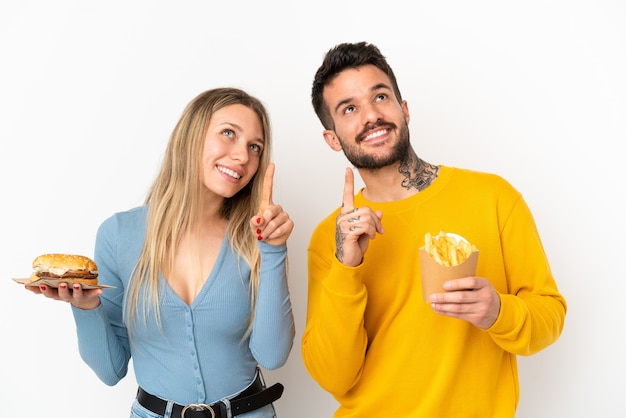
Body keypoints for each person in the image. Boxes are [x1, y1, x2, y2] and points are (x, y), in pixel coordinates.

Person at [301, 42, 567, 417]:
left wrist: (498, 312)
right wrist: (346, 267)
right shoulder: (330, 237)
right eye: (349, 108)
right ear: (332, 138)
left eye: (380, 96)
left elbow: (549, 316)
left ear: (404, 109)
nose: (372, 115)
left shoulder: (493, 198)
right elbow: (333, 376)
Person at [27, 87, 296, 418]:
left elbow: (271, 355)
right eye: (229, 133)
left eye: (255, 147)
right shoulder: (118, 235)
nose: (243, 156)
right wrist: (86, 306)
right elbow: (111, 370)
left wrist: (273, 251)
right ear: (191, 136)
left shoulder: (257, 238)